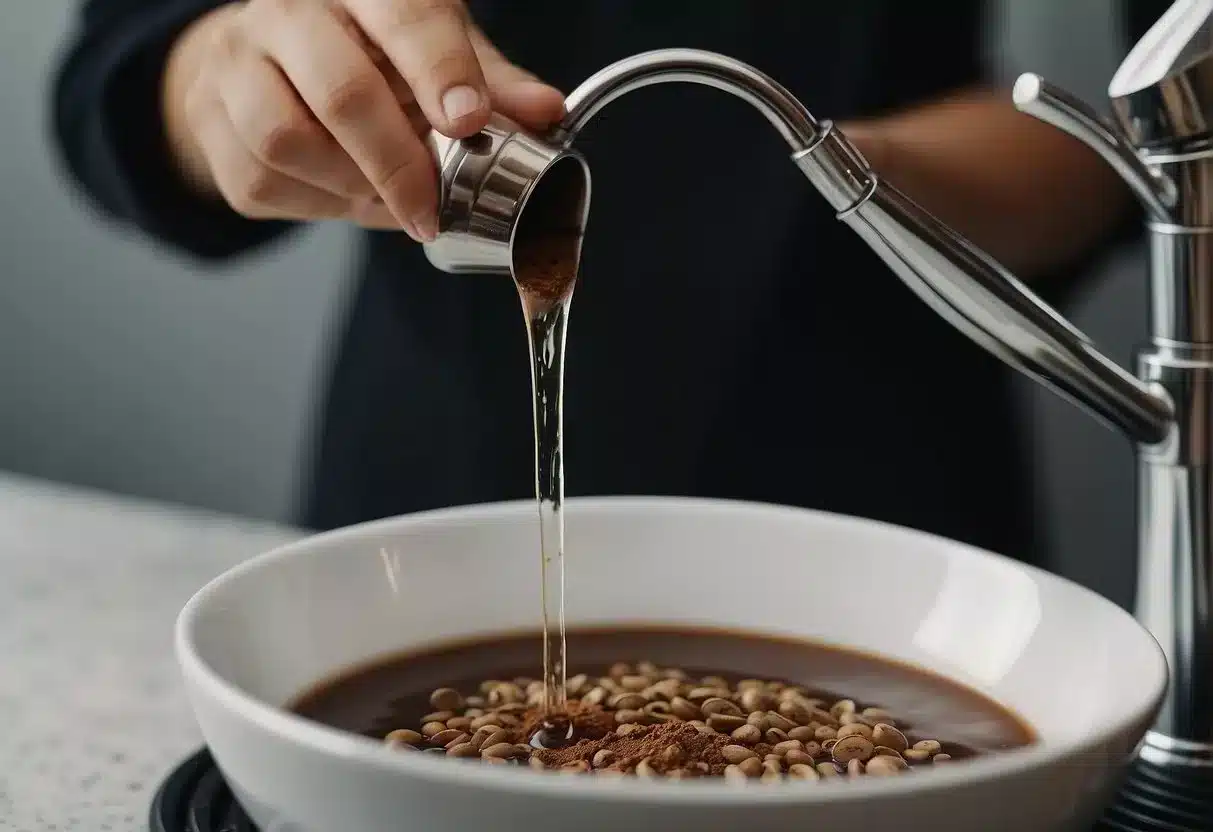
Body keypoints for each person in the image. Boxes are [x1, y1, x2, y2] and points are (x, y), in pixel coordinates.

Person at [52, 0, 1168, 562]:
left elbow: (1164, 129)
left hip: (874, 480)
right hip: (437, 495)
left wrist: (837, 169)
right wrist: (222, 84)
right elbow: (122, 62)